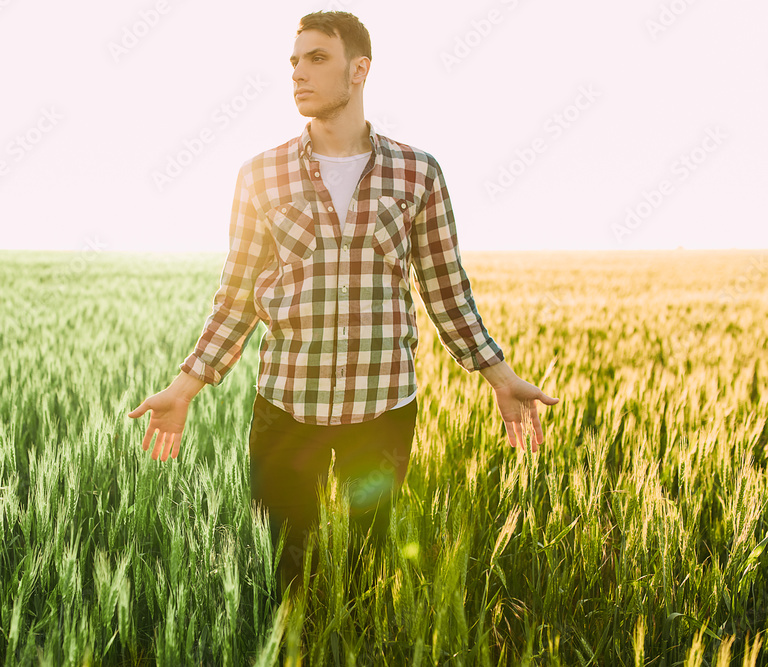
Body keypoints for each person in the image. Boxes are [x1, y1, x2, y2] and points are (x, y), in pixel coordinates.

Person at [128, 10, 559, 599]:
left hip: (382, 410)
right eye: (294, 61)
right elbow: (235, 298)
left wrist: (499, 375)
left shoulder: (417, 173)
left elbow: (444, 286)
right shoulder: (260, 175)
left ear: (361, 69)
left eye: (317, 59)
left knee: (364, 578)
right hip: (286, 408)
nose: (299, 74)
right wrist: (183, 387)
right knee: (284, 579)